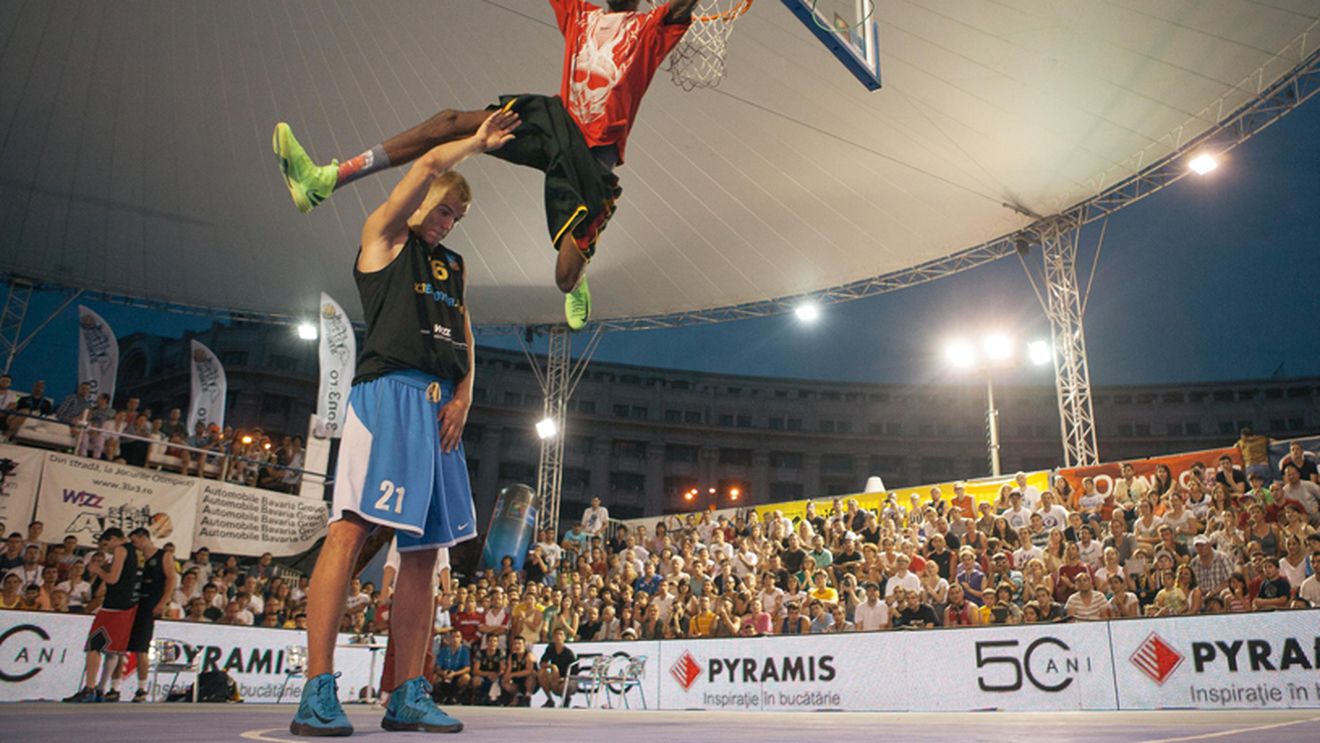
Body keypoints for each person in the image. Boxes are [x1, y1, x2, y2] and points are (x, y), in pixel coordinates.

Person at [289, 111, 517, 737]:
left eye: (455, 218)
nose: (446, 223)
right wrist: (473, 142)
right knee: (351, 529)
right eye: (443, 211)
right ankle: (316, 687)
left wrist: (466, 394)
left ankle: (407, 692)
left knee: (426, 551)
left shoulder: (454, 266)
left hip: (439, 407)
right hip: (386, 395)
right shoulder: (384, 238)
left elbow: (465, 330)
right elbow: (424, 166)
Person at [273, 0, 701, 329]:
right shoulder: (580, 12)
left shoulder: (652, 26)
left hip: (593, 157)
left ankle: (582, 265)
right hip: (554, 123)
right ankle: (326, 179)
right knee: (449, 122)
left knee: (564, 278)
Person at [63, 528, 141, 703]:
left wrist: (98, 570)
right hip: (125, 605)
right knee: (112, 649)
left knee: (95, 645)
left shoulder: (121, 549)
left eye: (106, 544)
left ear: (114, 539)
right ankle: (100, 688)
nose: (107, 549)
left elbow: (113, 579)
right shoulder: (132, 552)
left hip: (114, 605)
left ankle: (90, 688)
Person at [108, 528, 176, 703]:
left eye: (135, 541)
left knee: (141, 648)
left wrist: (163, 602)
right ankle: (115, 687)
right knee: (120, 646)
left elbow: (171, 579)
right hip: (131, 601)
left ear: (143, 537)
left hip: (149, 603)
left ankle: (142, 688)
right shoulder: (135, 556)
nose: (134, 545)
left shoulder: (163, 555)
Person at [537, 627, 577, 708]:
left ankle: (566, 698)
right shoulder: (550, 649)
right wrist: (552, 666)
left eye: (561, 634)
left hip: (566, 679)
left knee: (566, 685)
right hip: (554, 677)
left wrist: (565, 678)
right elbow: (542, 663)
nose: (558, 637)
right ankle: (550, 700)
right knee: (541, 673)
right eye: (556, 635)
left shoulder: (568, 653)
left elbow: (574, 670)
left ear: (564, 637)